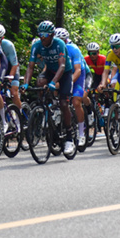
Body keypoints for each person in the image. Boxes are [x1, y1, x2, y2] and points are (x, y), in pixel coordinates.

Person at [22, 21, 75, 155]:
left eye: (45, 34)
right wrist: (26, 83)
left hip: (64, 73)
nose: (42, 37)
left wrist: (53, 82)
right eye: (40, 34)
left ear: (52, 35)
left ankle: (69, 136)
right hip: (50, 71)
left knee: (64, 103)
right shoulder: (37, 45)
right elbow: (30, 66)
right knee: (40, 82)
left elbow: (62, 66)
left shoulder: (59, 44)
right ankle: (47, 107)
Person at [55, 28, 88, 146]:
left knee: (76, 101)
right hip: (64, 73)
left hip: (78, 74)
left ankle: (81, 133)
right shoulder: (54, 48)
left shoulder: (73, 49)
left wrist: (69, 83)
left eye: (62, 40)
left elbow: (78, 70)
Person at [0, 23, 22, 109]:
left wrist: (10, 79)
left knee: (13, 93)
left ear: (2, 38)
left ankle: (20, 115)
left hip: (11, 68)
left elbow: (15, 64)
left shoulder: (8, 45)